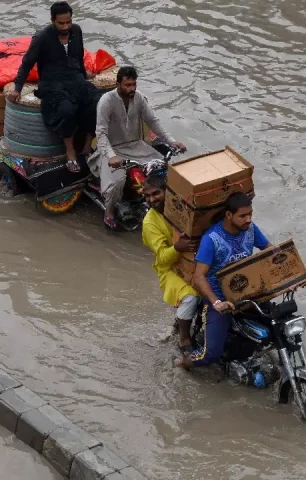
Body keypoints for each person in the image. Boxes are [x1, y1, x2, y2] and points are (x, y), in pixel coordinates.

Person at [173, 192, 272, 369]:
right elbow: (198, 276)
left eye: (250, 214)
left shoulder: (250, 229)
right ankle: (182, 363)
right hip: (219, 299)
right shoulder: (211, 239)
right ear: (229, 215)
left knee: (275, 324)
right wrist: (216, 302)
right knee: (210, 355)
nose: (248, 219)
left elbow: (270, 252)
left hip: (245, 293)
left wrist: (293, 278)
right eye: (243, 216)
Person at [7, 2, 101, 173]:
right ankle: (70, 151)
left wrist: (83, 73)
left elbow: (78, 57)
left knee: (98, 100)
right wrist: (17, 88)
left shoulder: (77, 31)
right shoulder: (42, 37)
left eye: (68, 22)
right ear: (52, 21)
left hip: (75, 79)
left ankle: (87, 146)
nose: (66, 27)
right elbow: (27, 62)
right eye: (61, 23)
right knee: (65, 110)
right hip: (52, 83)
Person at [92, 65, 186, 230]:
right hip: (111, 149)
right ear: (118, 84)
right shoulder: (106, 102)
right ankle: (109, 211)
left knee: (164, 169)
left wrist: (172, 141)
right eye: (127, 85)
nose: (132, 88)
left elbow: (153, 121)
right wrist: (111, 155)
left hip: (136, 146)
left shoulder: (140, 98)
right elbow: (100, 134)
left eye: (134, 85)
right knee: (117, 182)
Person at [141, 175, 201, 355]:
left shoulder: (183, 206)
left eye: (155, 193)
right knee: (191, 296)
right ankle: (184, 338)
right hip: (170, 269)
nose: (151, 199)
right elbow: (163, 258)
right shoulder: (149, 223)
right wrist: (178, 247)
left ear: (168, 192)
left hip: (196, 259)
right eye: (147, 196)